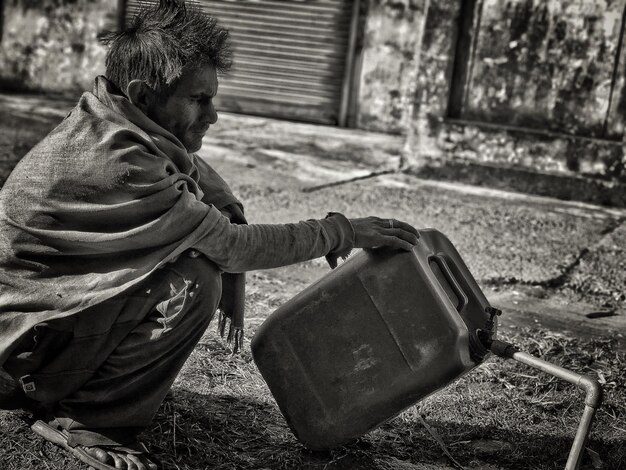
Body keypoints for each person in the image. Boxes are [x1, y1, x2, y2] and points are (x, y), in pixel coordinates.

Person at [0, 1, 419, 469]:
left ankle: (87, 392)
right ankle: (86, 421)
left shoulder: (113, 123)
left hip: (32, 339)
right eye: (198, 99)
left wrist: (233, 238)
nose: (214, 115)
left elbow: (203, 181)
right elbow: (232, 247)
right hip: (22, 363)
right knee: (197, 277)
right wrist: (342, 232)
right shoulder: (122, 163)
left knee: (200, 260)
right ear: (142, 96)